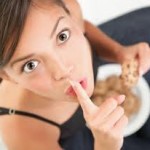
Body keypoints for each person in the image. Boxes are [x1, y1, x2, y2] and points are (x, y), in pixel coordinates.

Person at [0, 0, 150, 150]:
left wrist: (118, 52)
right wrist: (105, 145)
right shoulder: (22, 133)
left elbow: (84, 28)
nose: (63, 71)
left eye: (62, 36)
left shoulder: (70, 6)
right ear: (6, 76)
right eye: (30, 65)